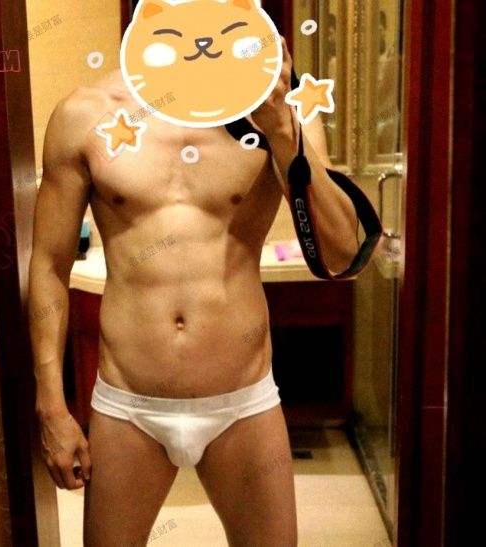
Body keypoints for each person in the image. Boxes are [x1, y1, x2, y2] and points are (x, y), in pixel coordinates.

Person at [29, 36, 359, 546]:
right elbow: (49, 265)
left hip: (244, 402)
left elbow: (342, 254)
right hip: (128, 404)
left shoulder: (282, 107)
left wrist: (282, 131)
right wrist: (51, 404)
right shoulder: (86, 113)